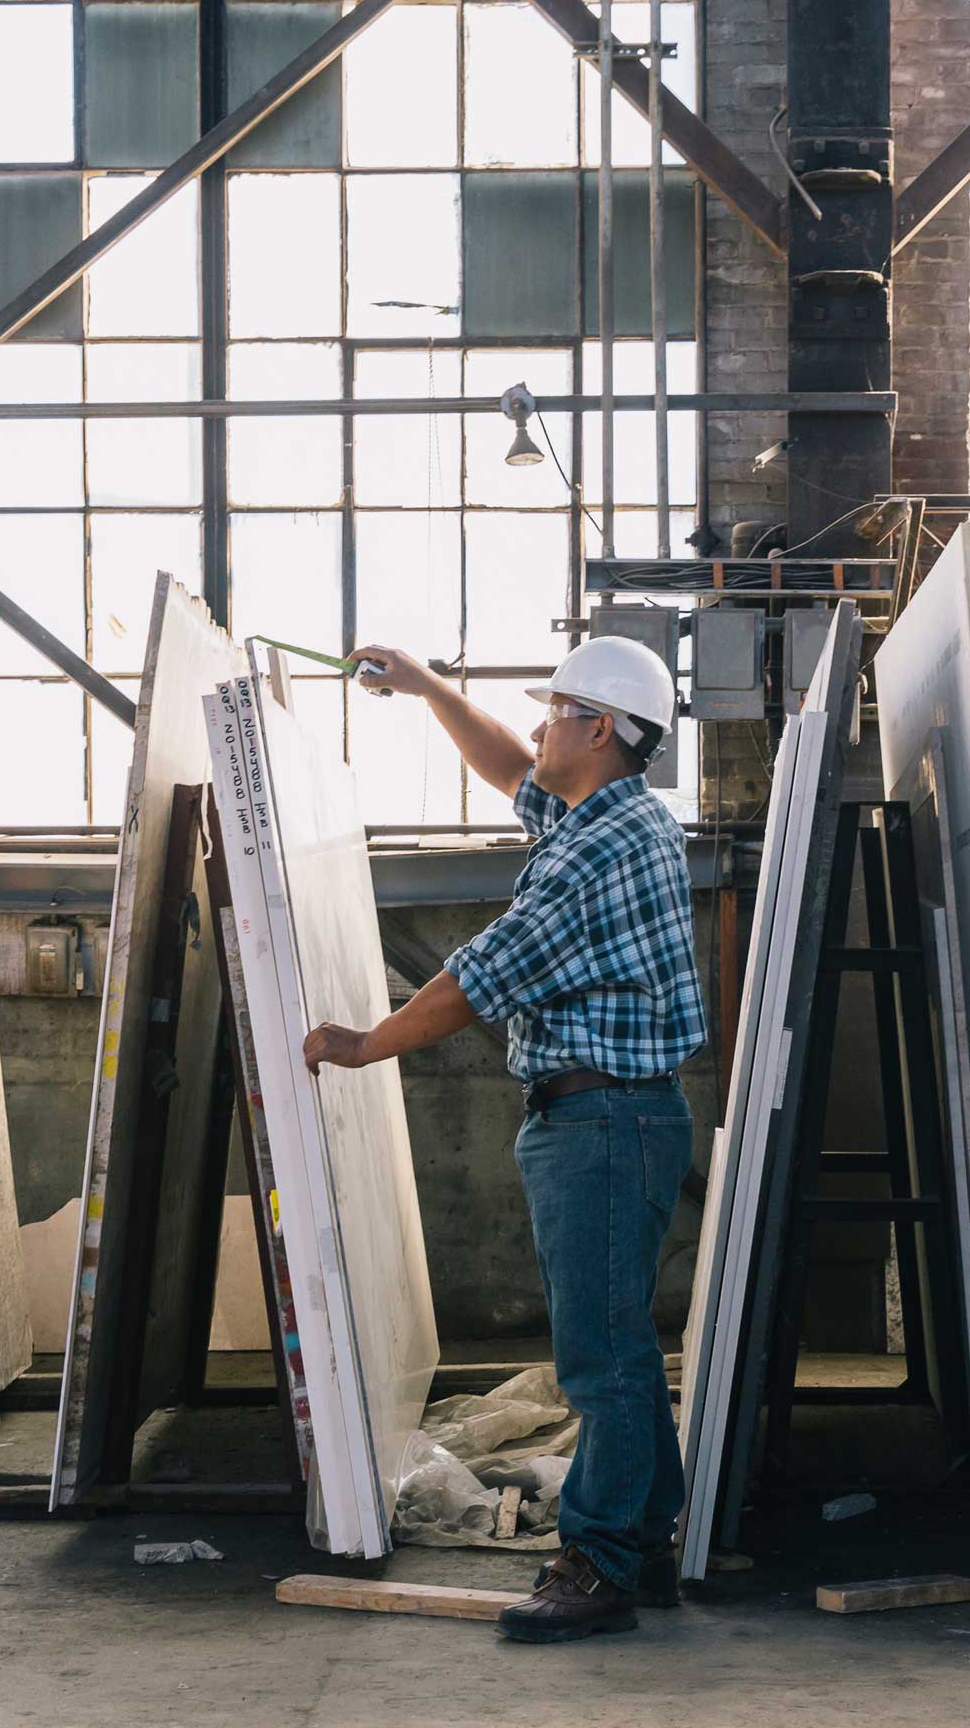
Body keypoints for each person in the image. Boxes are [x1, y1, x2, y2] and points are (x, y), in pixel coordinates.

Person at [302, 637, 706, 1644]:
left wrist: (365, 1043)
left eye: (553, 710)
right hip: (607, 1113)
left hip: (602, 1119)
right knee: (615, 1345)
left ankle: (601, 1560)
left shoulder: (598, 847)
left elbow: (478, 974)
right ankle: (639, 1545)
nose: (536, 728)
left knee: (600, 1354)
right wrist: (429, 686)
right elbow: (507, 769)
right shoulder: (604, 813)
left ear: (599, 728)